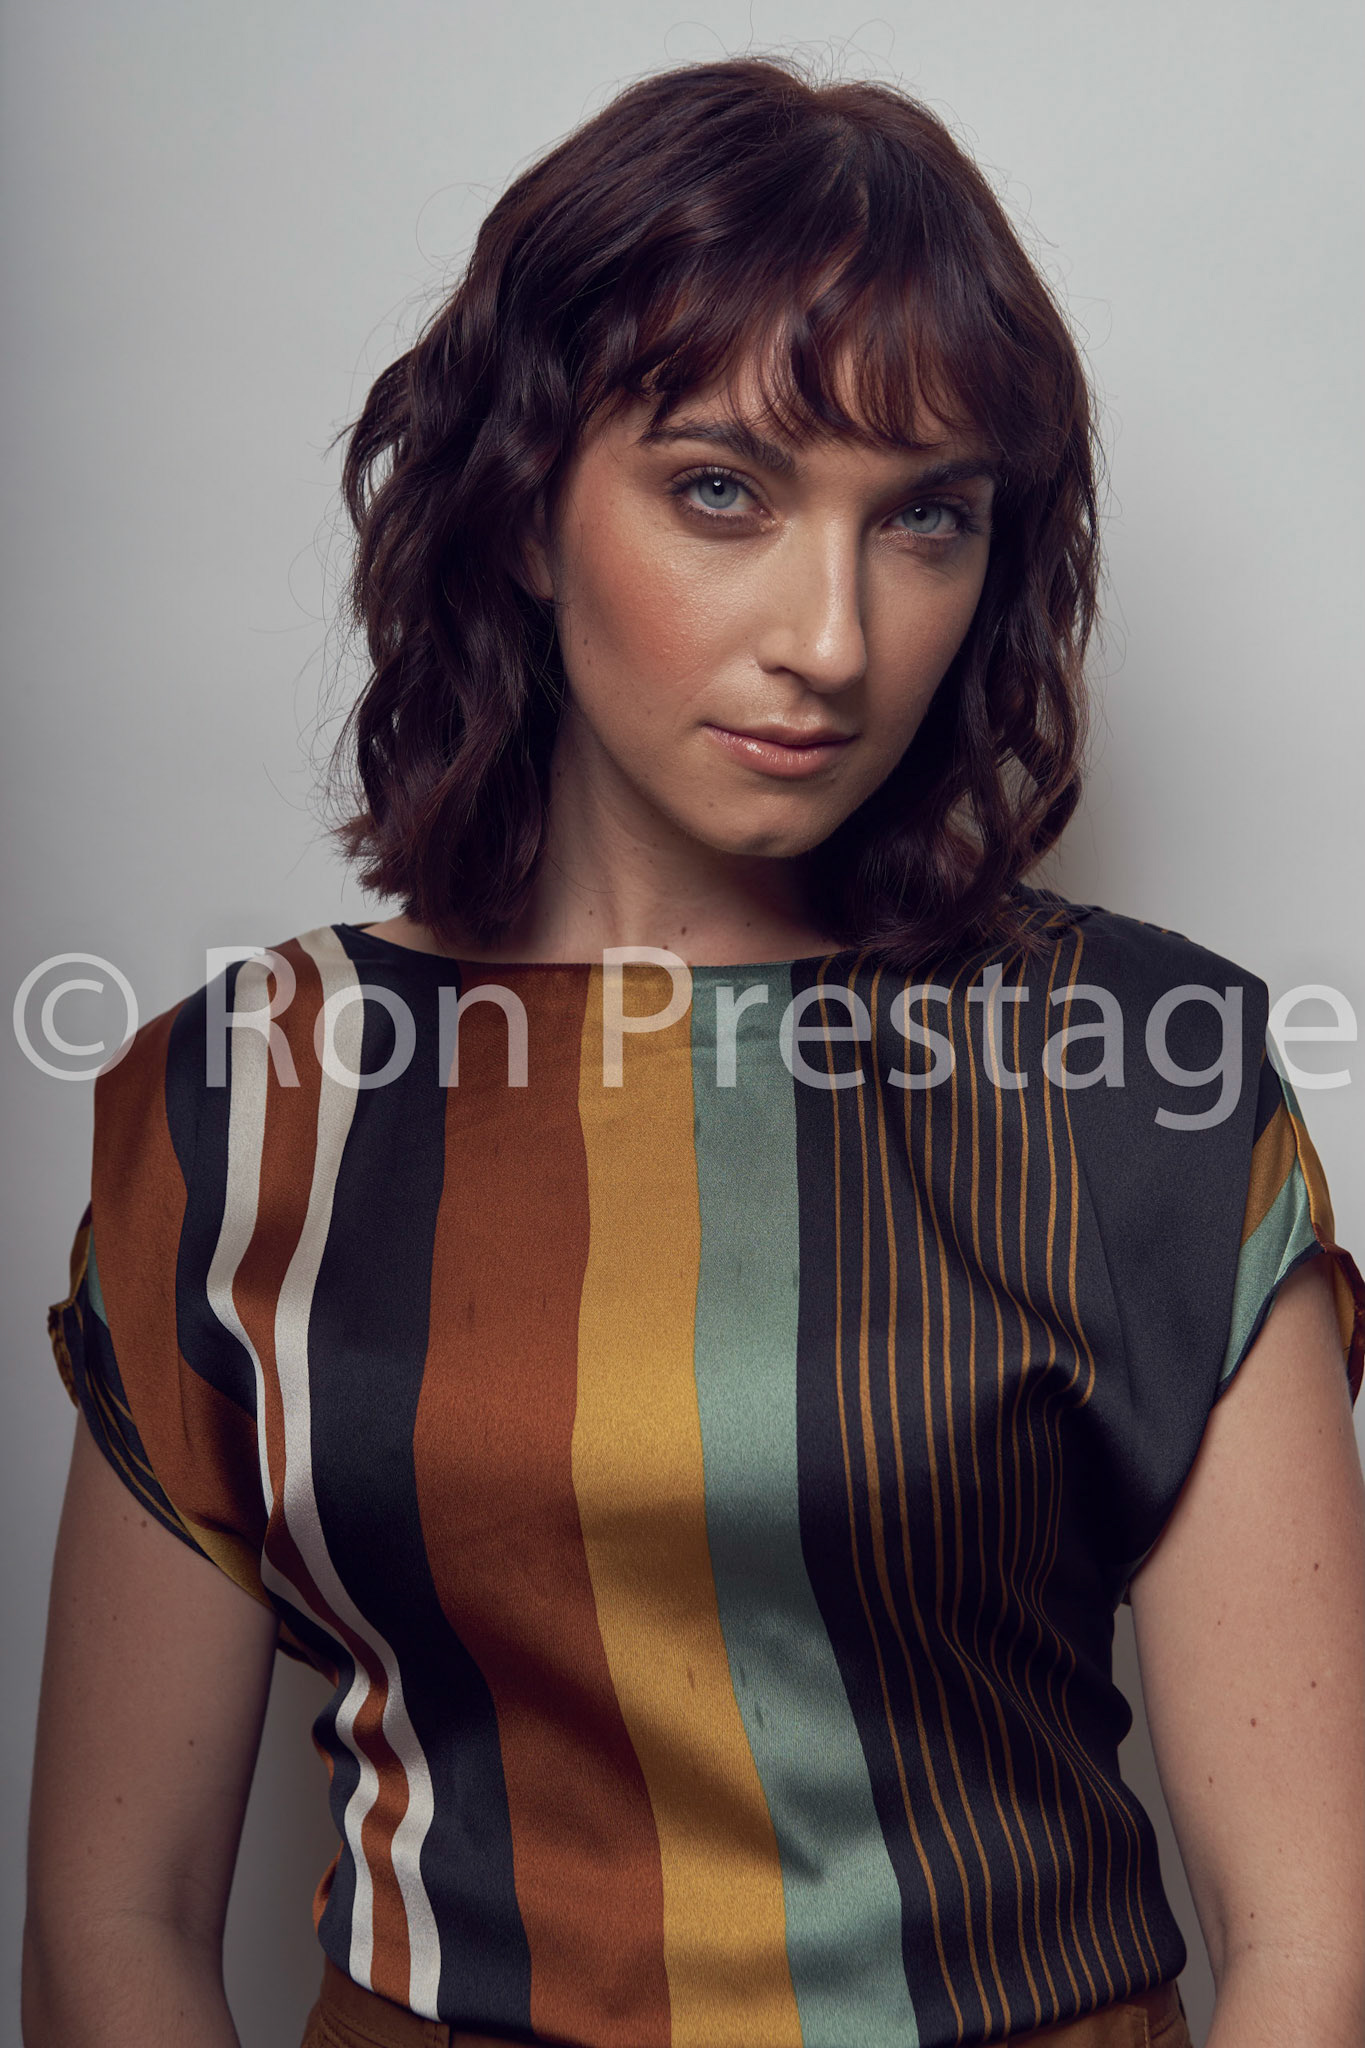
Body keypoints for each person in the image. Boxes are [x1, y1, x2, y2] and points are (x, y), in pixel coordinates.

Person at [22, 54, 1365, 2048]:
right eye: (720, 489)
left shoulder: (1139, 1078)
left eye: (923, 518)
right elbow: (111, 1928)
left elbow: (1311, 1946)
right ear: (524, 506)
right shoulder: (240, 1109)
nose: (830, 636)